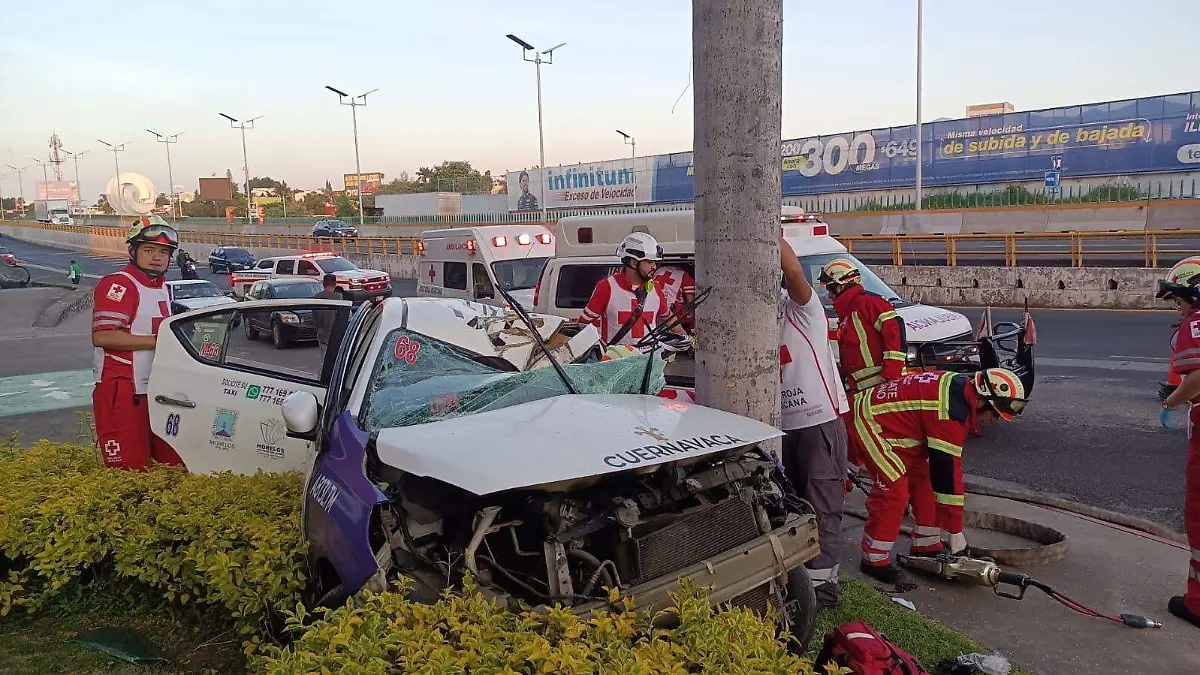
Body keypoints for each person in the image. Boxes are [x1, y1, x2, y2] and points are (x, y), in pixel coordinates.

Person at [849, 367, 1027, 582]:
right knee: (894, 493)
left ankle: (926, 546)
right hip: (868, 423)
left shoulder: (960, 389)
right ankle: (873, 560)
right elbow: (948, 474)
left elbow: (941, 474)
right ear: (982, 400)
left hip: (898, 428)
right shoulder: (950, 413)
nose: (994, 421)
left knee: (926, 484)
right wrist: (955, 532)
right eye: (995, 414)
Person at [779, 234, 851, 608]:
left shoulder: (804, 311)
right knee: (790, 504)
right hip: (783, 428)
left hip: (819, 421)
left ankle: (823, 589)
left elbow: (791, 269)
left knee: (822, 505)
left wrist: (771, 236)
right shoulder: (760, 321)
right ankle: (798, 580)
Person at [91, 215, 185, 472]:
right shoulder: (119, 284)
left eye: (164, 252)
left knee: (171, 465)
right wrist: (160, 341)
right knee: (130, 470)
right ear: (133, 251)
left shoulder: (163, 286)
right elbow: (103, 336)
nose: (157, 257)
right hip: (122, 389)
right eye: (149, 249)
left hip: (157, 389)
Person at [1155, 255, 1200, 629]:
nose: (1180, 306)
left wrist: (1171, 401)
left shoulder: (1196, 325)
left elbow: (1198, 376)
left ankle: (1198, 604)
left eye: (1182, 298)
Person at [577, 232, 688, 346]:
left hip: (648, 360)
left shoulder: (656, 289)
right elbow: (583, 325)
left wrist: (686, 339)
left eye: (655, 262)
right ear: (634, 263)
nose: (654, 266)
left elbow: (669, 318)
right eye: (649, 261)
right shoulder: (606, 287)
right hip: (614, 361)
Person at [820, 259, 906, 393]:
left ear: (841, 286)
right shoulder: (847, 313)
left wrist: (892, 371)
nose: (829, 295)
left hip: (883, 384)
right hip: (862, 389)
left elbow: (895, 330)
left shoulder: (869, 303)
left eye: (830, 288)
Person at [654, 264, 696, 331]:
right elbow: (691, 304)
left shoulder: (658, 270)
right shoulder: (685, 276)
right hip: (670, 317)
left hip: (653, 311)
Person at [313, 273, 344, 348]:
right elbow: (342, 315)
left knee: (324, 354)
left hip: (322, 333)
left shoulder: (316, 297)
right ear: (335, 284)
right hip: (336, 332)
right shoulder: (338, 296)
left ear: (323, 284)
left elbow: (315, 318)